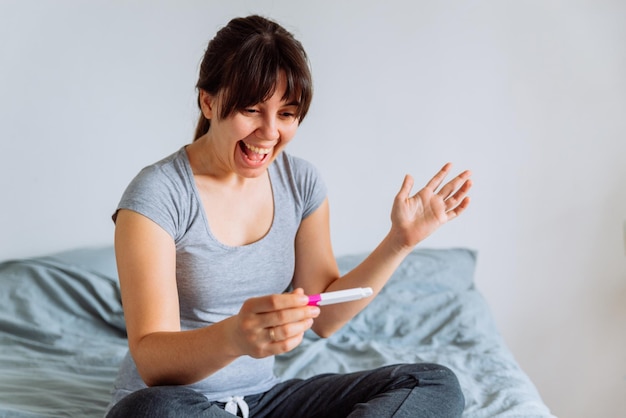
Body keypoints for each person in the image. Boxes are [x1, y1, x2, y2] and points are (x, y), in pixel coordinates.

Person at [106, 14, 472, 418]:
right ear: (208, 101)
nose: (268, 132)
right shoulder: (157, 194)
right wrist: (235, 337)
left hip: (265, 401)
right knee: (149, 413)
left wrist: (399, 241)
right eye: (251, 109)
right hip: (175, 402)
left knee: (433, 382)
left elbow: (325, 318)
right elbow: (152, 361)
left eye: (286, 114)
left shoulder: (300, 183)